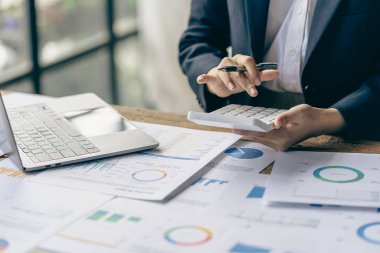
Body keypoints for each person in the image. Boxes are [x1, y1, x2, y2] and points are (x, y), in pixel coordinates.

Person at [178, 0, 380, 151]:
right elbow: (198, 39)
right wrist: (216, 78)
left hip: (353, 129)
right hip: (245, 129)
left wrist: (332, 118)